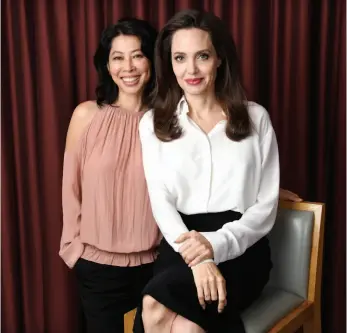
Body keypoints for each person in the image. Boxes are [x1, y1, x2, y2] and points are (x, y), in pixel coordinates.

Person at [134, 9, 282, 333]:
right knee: (168, 315)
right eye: (180, 58)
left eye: (202, 56)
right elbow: (160, 200)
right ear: (169, 64)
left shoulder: (256, 119)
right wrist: (200, 257)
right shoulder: (152, 124)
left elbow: (266, 206)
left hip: (242, 246)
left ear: (219, 59)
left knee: (170, 315)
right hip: (181, 244)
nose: (191, 69)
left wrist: (216, 245)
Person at [59, 18, 162, 333]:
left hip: (158, 264)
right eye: (118, 57)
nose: (128, 67)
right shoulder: (86, 115)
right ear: (107, 64)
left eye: (138, 55)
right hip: (97, 266)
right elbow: (70, 187)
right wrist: (74, 248)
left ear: (151, 61)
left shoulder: (170, 120)